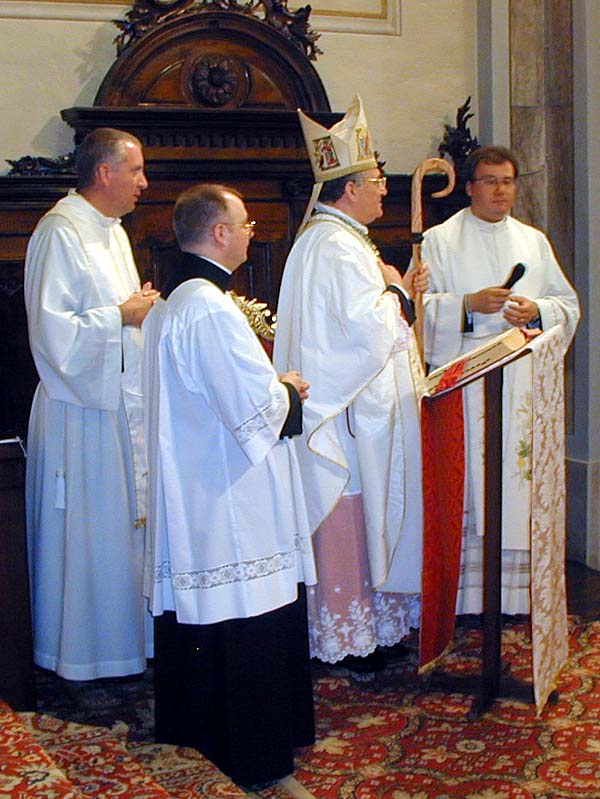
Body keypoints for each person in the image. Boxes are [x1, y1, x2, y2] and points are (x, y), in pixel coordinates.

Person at [144, 184, 317, 789]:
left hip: (201, 489)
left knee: (210, 626)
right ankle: (253, 754)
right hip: (229, 498)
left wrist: (272, 388)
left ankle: (200, 737)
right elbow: (254, 411)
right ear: (219, 233)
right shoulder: (210, 309)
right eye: (244, 225)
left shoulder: (175, 302)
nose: (249, 234)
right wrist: (288, 389)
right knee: (244, 619)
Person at [273, 95, 428, 669]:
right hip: (345, 418)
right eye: (378, 179)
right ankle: (350, 638)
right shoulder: (336, 246)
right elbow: (365, 334)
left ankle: (372, 629)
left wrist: (392, 287)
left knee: (363, 517)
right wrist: (398, 291)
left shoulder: (337, 238)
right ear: (350, 188)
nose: (385, 188)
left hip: (352, 410)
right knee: (353, 516)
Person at [420, 144, 580, 614]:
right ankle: (466, 601)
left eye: (507, 182)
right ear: (470, 187)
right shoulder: (439, 241)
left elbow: (567, 305)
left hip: (523, 382)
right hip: (469, 382)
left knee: (517, 481)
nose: (500, 191)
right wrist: (467, 305)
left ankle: (515, 599)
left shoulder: (533, 241)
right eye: (490, 181)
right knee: (474, 482)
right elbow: (415, 313)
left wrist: (538, 310)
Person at [24, 127, 159, 681]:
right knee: (85, 534)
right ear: (104, 173)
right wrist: (121, 316)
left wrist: (137, 312)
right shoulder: (60, 232)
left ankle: (125, 649)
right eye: (136, 170)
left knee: (117, 534)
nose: (144, 183)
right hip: (78, 411)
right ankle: (78, 658)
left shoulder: (113, 231)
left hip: (117, 404)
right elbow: (51, 332)